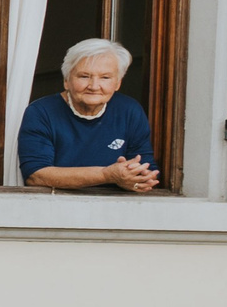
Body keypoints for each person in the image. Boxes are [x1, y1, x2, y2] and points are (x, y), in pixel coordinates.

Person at [19, 39, 158, 192]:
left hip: (115, 208)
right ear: (66, 81)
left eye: (105, 77)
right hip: (55, 207)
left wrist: (140, 179)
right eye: (84, 76)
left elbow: (146, 167)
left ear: (118, 83)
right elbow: (36, 175)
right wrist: (106, 175)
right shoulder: (41, 112)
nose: (93, 86)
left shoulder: (129, 110)